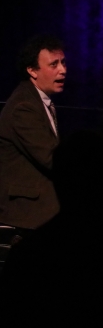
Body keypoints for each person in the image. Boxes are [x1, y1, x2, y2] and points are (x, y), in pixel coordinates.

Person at [0, 34, 66, 233]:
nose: (63, 70)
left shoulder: (38, 100)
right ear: (32, 70)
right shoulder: (23, 107)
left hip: (41, 211)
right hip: (28, 215)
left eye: (63, 62)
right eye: (54, 64)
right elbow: (51, 158)